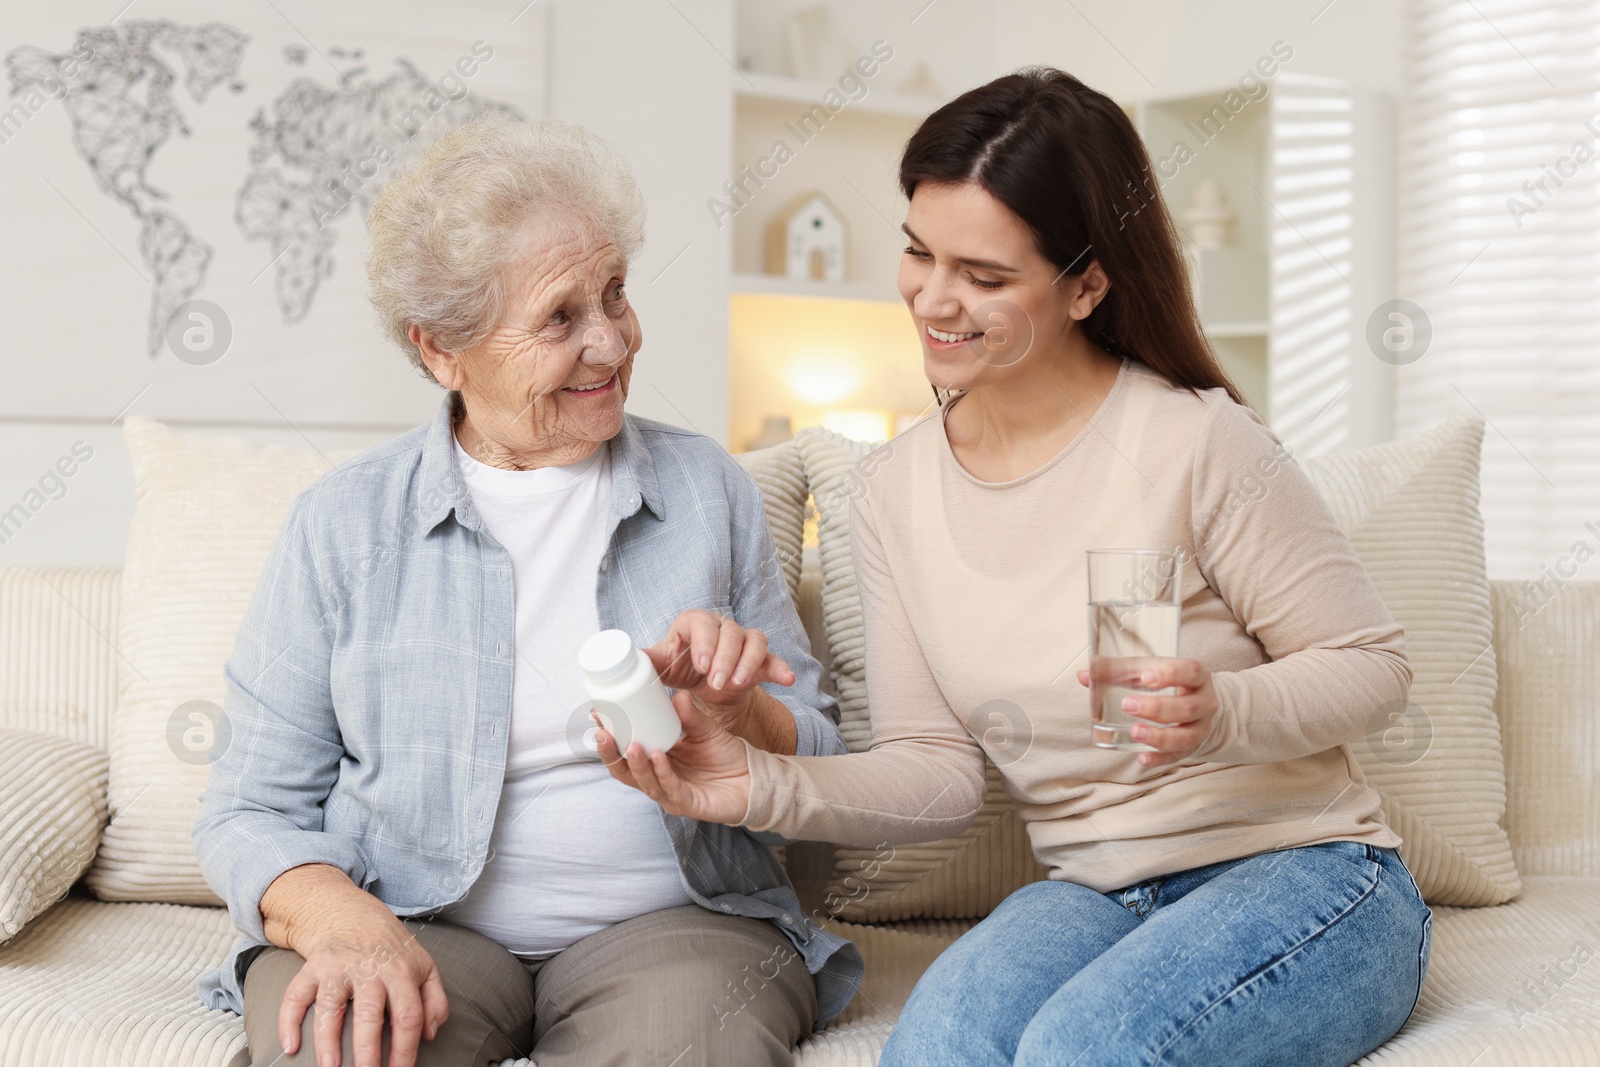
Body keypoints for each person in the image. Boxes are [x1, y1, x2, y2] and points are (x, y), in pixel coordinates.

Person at [597, 68, 1433, 1067]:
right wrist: (759, 786)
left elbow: (1372, 663)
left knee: (1083, 1051)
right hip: (1091, 890)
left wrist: (1225, 712)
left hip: (1310, 872)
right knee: (933, 1053)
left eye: (985, 277)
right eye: (918, 253)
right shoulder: (895, 487)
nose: (934, 300)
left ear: (1086, 284)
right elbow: (938, 771)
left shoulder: (1195, 442)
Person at [193, 117, 861, 1067]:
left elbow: (830, 755)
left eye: (617, 295)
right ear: (442, 351)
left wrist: (745, 713)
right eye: (560, 317)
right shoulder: (341, 523)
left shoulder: (707, 490)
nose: (613, 342)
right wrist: (339, 917)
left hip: (680, 923)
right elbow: (247, 807)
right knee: (338, 1045)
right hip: (410, 918)